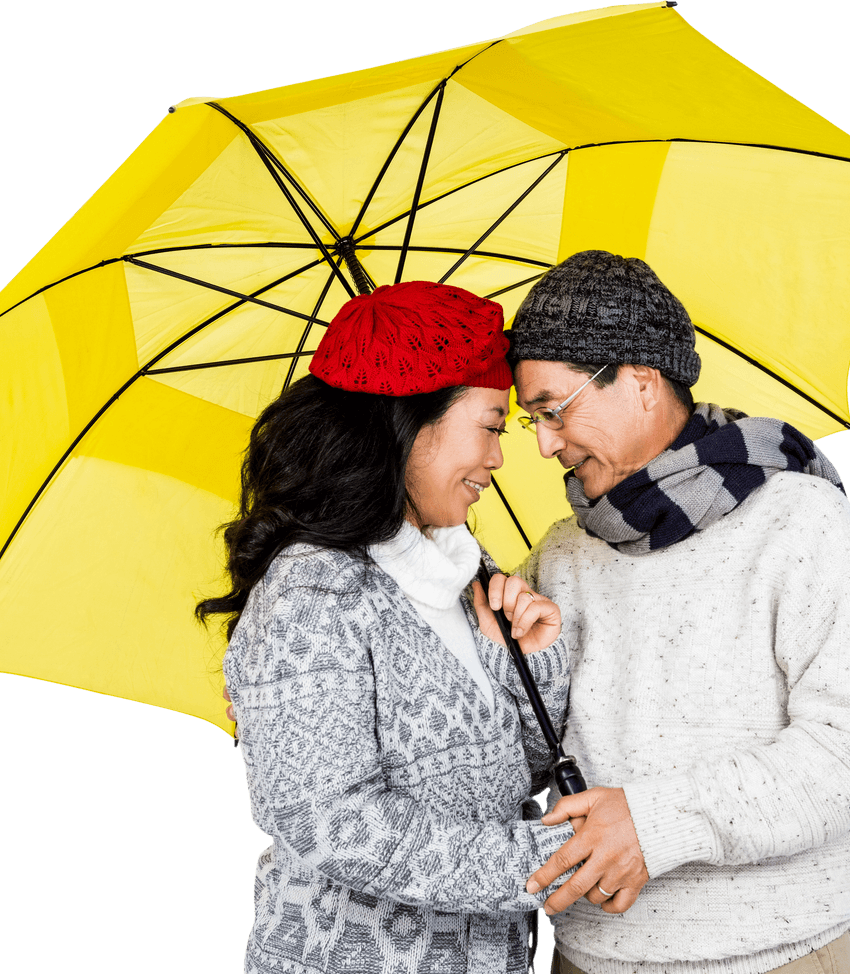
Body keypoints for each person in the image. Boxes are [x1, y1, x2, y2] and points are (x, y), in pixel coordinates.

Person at [492, 251, 850, 974]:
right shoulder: (559, 556)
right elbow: (519, 767)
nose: (543, 445)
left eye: (554, 410)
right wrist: (510, 672)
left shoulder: (800, 522)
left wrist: (655, 824)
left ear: (642, 382)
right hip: (588, 958)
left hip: (774, 957)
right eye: (530, 419)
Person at [204, 281, 579, 974]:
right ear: (412, 423)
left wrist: (527, 663)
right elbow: (334, 826)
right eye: (492, 426)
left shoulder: (466, 572)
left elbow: (506, 780)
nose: (499, 459)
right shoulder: (311, 592)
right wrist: (553, 862)